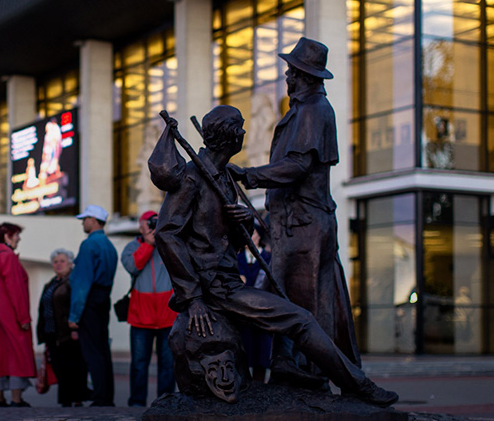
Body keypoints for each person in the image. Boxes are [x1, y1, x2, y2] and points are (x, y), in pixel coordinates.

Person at [150, 105, 398, 407]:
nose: (244, 133)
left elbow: (228, 242)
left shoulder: (225, 178)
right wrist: (193, 298)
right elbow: (166, 234)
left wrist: (241, 223)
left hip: (228, 281)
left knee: (294, 312)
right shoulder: (192, 178)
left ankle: (296, 369)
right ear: (228, 136)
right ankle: (358, 385)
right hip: (215, 287)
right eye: (240, 127)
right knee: (301, 319)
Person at [232, 37, 360, 384]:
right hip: (292, 223)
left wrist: (248, 175)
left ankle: (311, 370)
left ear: (304, 76)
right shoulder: (302, 111)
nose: (287, 78)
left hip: (306, 224)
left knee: (304, 298)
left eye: (291, 72)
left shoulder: (314, 111)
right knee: (286, 293)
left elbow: (297, 166)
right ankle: (289, 365)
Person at [120, 210, 177, 406]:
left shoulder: (169, 243)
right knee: (138, 365)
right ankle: (136, 402)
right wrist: (148, 244)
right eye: (149, 222)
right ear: (140, 226)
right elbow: (133, 266)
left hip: (168, 315)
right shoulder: (131, 247)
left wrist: (162, 239)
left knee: (168, 364)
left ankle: (166, 403)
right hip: (140, 316)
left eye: (156, 221)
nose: (153, 224)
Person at [68, 204, 118, 407]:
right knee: (103, 349)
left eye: (85, 218)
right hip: (103, 299)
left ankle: (99, 397)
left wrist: (74, 315)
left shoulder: (88, 245)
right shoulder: (109, 246)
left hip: (90, 301)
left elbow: (81, 283)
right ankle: (106, 396)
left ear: (94, 220)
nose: (83, 222)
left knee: (92, 352)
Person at [0, 222, 36, 408]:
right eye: (16, 235)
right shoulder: (8, 257)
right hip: (9, 313)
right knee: (17, 353)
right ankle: (16, 399)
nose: (19, 239)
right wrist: (23, 317)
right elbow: (16, 290)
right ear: (7, 236)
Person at [36, 248, 91, 407]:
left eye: (62, 261)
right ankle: (66, 400)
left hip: (68, 332)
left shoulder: (73, 280)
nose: (58, 264)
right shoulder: (51, 283)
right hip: (52, 333)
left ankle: (77, 399)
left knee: (74, 365)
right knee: (60, 367)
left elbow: (78, 303)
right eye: (55, 261)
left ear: (70, 263)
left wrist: (75, 328)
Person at [235, 224, 272, 383]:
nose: (250, 237)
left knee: (261, 355)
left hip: (263, 314)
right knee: (242, 354)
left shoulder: (268, 258)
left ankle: (259, 388)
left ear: (259, 237)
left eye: (253, 233)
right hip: (242, 315)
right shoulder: (237, 258)